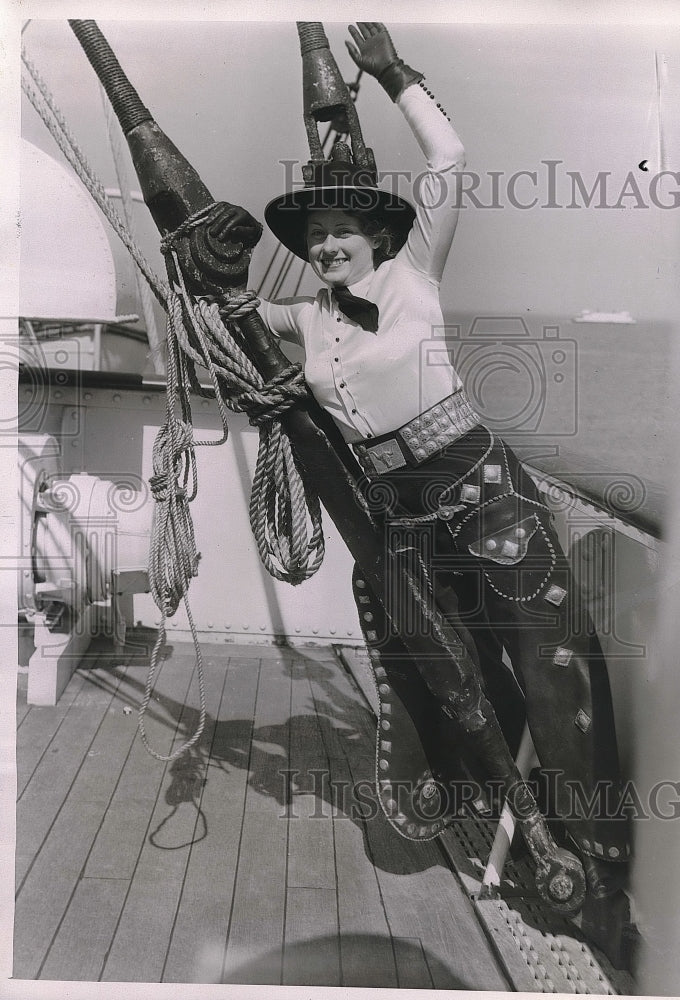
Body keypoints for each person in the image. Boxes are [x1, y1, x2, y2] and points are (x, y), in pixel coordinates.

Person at [209, 21, 629, 949]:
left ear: (377, 235)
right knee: (455, 679)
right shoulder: (304, 318)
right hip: (402, 519)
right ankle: (508, 832)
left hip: (485, 495)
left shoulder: (415, 274)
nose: (327, 247)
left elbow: (450, 154)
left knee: (552, 678)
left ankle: (598, 874)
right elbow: (227, 312)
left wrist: (392, 75)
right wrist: (205, 273)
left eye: (341, 232)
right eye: (316, 236)